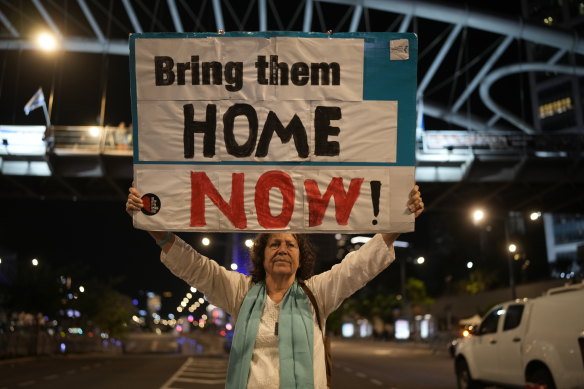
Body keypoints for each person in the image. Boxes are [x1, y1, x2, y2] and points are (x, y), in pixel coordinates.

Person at [126, 185, 424, 388]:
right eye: (275, 243)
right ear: (261, 253)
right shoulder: (240, 291)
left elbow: (359, 266)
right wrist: (152, 224)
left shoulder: (317, 292)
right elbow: (195, 267)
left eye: (290, 244)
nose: (282, 248)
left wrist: (401, 218)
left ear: (300, 256)